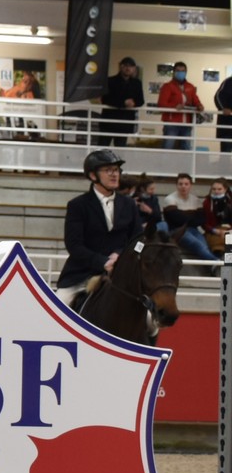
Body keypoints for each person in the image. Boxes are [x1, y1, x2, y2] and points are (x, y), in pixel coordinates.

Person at [56, 149, 144, 304]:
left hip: (122, 273)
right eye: (108, 170)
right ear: (92, 175)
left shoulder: (129, 204)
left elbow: (140, 240)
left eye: (116, 170)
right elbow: (74, 245)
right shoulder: (78, 205)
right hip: (83, 274)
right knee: (57, 307)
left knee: (149, 315)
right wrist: (103, 262)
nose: (114, 174)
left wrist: (120, 255)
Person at [161, 172, 213, 261]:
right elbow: (177, 220)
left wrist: (186, 219)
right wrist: (192, 218)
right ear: (176, 185)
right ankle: (218, 263)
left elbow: (201, 219)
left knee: (205, 246)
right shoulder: (170, 199)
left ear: (190, 185)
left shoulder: (196, 200)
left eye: (186, 184)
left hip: (193, 229)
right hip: (177, 230)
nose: (183, 186)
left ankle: (212, 267)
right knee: (198, 245)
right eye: (180, 184)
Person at [159, 61, 203, 149]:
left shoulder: (190, 86)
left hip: (187, 122)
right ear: (174, 72)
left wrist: (199, 105)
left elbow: (195, 100)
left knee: (186, 147)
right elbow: (161, 104)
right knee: (168, 146)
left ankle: (185, 160)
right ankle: (164, 159)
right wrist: (174, 107)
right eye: (178, 71)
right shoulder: (167, 86)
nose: (180, 73)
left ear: (186, 72)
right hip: (172, 122)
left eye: (183, 71)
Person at [101, 58, 144, 146]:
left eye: (131, 66)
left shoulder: (137, 83)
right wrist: (123, 103)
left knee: (120, 149)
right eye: (125, 66)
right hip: (109, 120)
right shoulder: (110, 81)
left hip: (125, 122)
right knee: (102, 147)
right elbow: (105, 99)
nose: (128, 68)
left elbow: (141, 100)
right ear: (121, 66)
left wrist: (134, 103)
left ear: (134, 68)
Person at [215, 74, 232, 153]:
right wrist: (223, 108)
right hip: (226, 125)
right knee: (226, 152)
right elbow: (217, 96)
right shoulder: (228, 82)